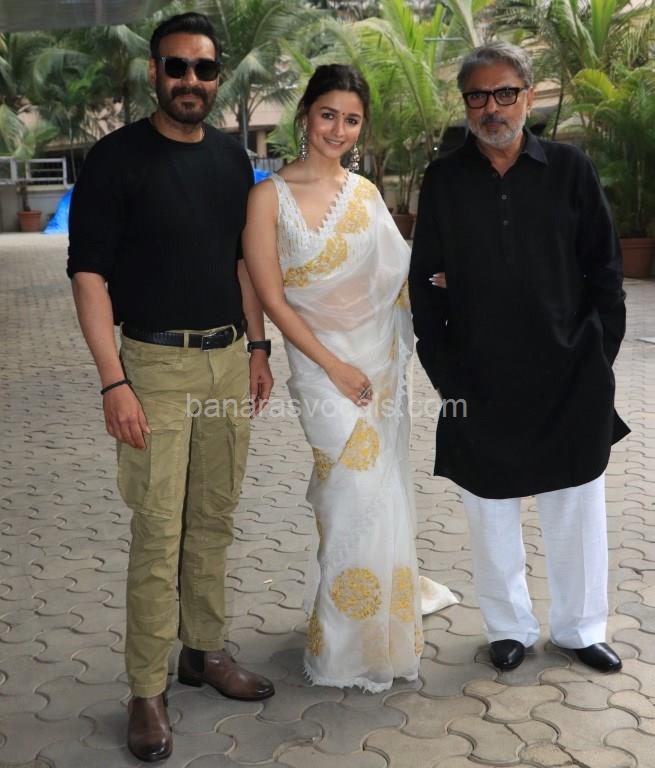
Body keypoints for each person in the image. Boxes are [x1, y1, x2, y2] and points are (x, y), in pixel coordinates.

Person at [67, 12, 275, 762]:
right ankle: (146, 689)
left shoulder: (231, 160)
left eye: (204, 69)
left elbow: (242, 262)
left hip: (227, 360)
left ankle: (204, 652)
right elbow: (88, 275)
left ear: (218, 78)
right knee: (158, 532)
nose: (191, 80)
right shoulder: (114, 160)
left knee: (213, 518)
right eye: (177, 66)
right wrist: (112, 381)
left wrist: (258, 346)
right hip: (153, 368)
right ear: (153, 72)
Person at [409, 41, 629, 674]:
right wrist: (444, 370)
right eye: (478, 96)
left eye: (505, 93)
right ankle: (508, 628)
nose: (492, 107)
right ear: (466, 104)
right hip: (477, 374)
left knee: (576, 503)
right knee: (489, 506)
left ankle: (580, 629)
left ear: (528, 97)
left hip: (569, 372)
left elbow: (605, 270)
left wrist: (598, 357)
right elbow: (425, 280)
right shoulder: (445, 179)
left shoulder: (570, 169)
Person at [242, 64, 454, 693]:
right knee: (348, 495)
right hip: (319, 368)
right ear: (306, 115)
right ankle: (343, 641)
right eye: (328, 114)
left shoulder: (364, 194)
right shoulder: (267, 197)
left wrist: (457, 280)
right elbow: (271, 295)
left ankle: (379, 633)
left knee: (378, 495)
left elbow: (399, 275)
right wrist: (330, 365)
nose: (338, 129)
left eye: (352, 119)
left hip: (379, 366)